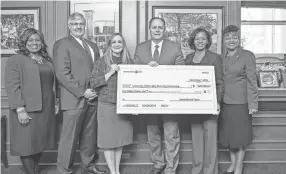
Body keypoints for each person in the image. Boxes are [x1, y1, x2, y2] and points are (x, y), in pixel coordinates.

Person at [53, 12, 106, 174]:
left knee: (89, 137)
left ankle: (88, 167)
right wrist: (83, 92)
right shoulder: (62, 44)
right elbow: (62, 73)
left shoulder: (93, 45)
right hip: (74, 99)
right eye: (74, 24)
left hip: (93, 98)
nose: (78, 27)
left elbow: (97, 70)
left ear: (85, 25)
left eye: (81, 24)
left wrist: (95, 90)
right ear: (69, 26)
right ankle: (64, 170)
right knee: (69, 138)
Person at [134, 17, 184, 174]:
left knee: (171, 136)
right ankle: (158, 164)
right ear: (149, 29)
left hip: (170, 99)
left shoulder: (175, 47)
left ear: (164, 30)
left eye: (160, 27)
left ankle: (170, 169)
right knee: (153, 134)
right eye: (154, 27)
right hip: (149, 99)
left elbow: (181, 71)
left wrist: (161, 69)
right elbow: (134, 72)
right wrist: (146, 69)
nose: (157, 30)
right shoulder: (140, 48)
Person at [5, 28, 57, 174]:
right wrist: (20, 109)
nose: (34, 43)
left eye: (37, 40)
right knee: (26, 144)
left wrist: (56, 102)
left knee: (40, 142)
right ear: (24, 42)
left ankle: (33, 169)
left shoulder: (46, 59)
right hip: (26, 108)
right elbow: (12, 86)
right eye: (30, 40)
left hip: (46, 108)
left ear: (41, 42)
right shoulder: (16, 60)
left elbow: (53, 82)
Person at [90, 33, 134, 174]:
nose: (117, 44)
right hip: (106, 105)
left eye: (119, 42)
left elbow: (136, 84)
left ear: (123, 45)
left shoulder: (129, 62)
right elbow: (94, 83)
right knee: (109, 141)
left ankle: (116, 171)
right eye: (114, 42)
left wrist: (135, 104)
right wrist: (110, 72)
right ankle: (113, 172)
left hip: (123, 106)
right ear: (109, 45)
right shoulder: (101, 61)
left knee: (118, 140)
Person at [218, 25, 258, 174]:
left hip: (242, 103)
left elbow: (252, 81)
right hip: (224, 102)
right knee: (229, 136)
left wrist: (253, 104)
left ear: (239, 39)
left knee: (240, 137)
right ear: (224, 40)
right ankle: (232, 164)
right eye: (228, 38)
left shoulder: (248, 55)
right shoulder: (221, 57)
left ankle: (239, 166)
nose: (231, 40)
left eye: (234, 37)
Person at [185, 28, 224, 174]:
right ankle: (197, 169)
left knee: (211, 139)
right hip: (193, 104)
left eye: (203, 38)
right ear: (193, 41)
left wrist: (218, 102)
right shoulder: (188, 58)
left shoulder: (215, 57)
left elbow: (220, 81)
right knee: (197, 139)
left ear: (208, 41)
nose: (200, 41)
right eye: (197, 38)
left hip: (210, 104)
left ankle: (210, 171)